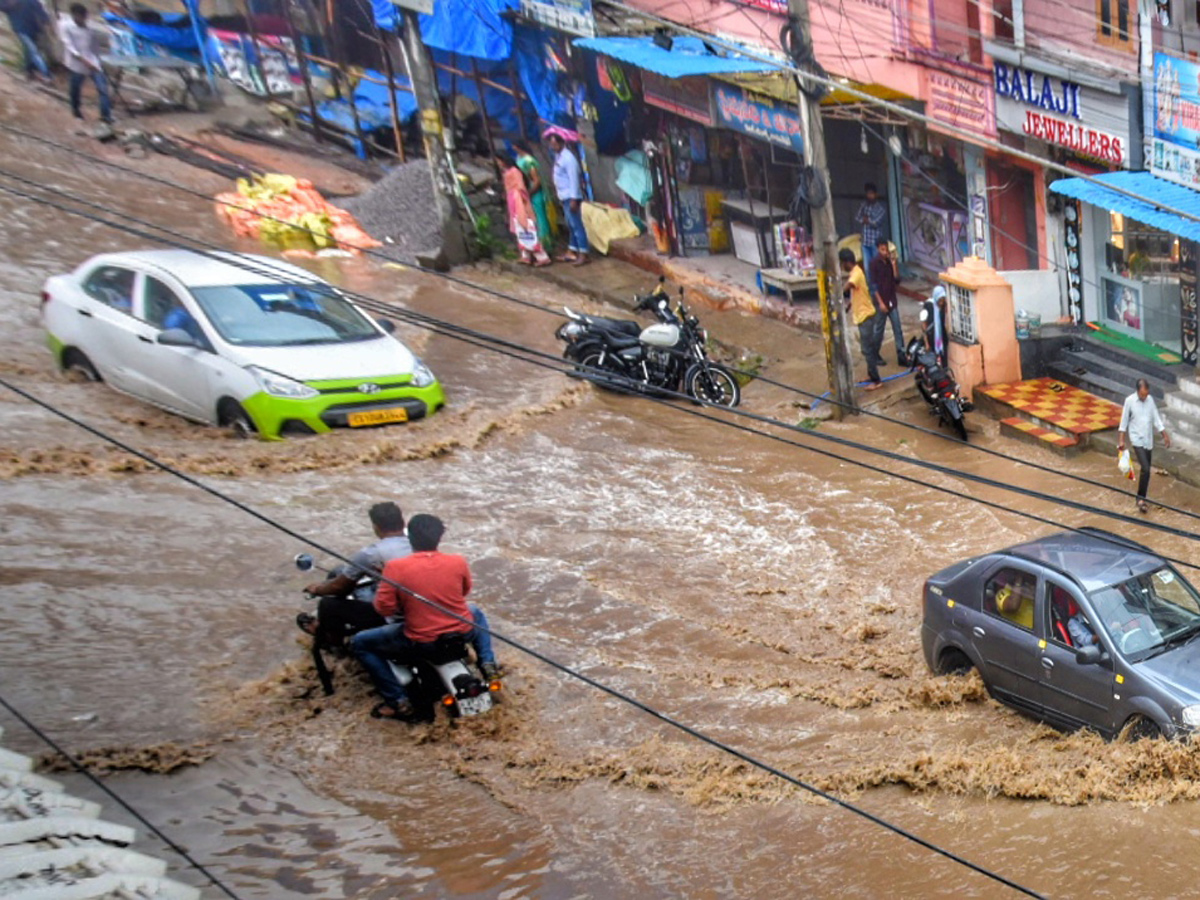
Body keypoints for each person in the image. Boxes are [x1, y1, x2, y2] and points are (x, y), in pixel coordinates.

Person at [351, 514, 500, 721]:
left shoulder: (395, 568)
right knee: (476, 612)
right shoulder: (458, 561)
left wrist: (392, 585)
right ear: (439, 538)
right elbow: (463, 592)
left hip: (422, 641)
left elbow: (383, 609)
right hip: (461, 633)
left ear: (410, 537)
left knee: (360, 642)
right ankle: (488, 663)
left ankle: (398, 701)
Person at [299, 501, 413, 651]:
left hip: (393, 616)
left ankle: (333, 641)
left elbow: (340, 588)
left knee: (328, 605)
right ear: (402, 522)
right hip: (420, 607)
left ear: (376, 527)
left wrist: (317, 589)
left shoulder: (370, 554)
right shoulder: (419, 544)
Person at [1118, 378, 1171, 514]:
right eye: (1142, 395)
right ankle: (1140, 499)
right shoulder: (1129, 401)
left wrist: (1164, 434)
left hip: (1148, 440)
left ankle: (1143, 496)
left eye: (1146, 394)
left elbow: (1156, 418)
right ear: (1137, 392)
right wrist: (1121, 440)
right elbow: (1124, 421)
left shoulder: (1150, 400)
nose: (1144, 397)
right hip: (1137, 439)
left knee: (1145, 470)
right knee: (1146, 468)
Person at [59, 3, 112, 124]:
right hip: (76, 64)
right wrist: (85, 62)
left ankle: (106, 117)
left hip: (93, 62)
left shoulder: (90, 28)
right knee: (75, 88)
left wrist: (97, 61)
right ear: (74, 16)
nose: (83, 20)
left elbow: (94, 47)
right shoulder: (66, 26)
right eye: (80, 17)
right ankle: (76, 110)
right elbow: (69, 47)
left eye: (84, 17)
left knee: (103, 89)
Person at [498, 151, 551, 267]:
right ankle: (525, 255)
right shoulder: (508, 171)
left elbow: (521, 187)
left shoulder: (514, 171)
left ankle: (541, 256)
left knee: (527, 226)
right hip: (513, 200)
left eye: (499, 160)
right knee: (519, 228)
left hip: (518, 201)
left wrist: (523, 201)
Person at [840, 248, 882, 391]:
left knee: (867, 350)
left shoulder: (856, 274)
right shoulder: (855, 272)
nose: (842, 266)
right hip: (861, 315)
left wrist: (836, 293)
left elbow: (849, 286)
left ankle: (876, 380)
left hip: (866, 316)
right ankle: (871, 375)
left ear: (847, 262)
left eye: (842, 263)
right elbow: (857, 292)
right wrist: (849, 305)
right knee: (866, 349)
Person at [546, 131, 589, 266]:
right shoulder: (559, 157)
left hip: (571, 197)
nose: (552, 147)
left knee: (576, 225)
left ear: (561, 143)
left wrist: (574, 199)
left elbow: (574, 180)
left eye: (554, 144)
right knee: (571, 225)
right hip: (564, 196)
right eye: (551, 144)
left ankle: (584, 253)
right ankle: (572, 250)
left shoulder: (569, 158)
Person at [869, 239, 905, 366]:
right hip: (881, 302)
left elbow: (897, 280)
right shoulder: (873, 264)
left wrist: (895, 265)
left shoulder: (890, 262)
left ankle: (901, 354)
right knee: (879, 329)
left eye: (886, 250)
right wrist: (880, 303)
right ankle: (874, 354)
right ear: (878, 249)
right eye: (882, 250)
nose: (885, 252)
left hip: (892, 300)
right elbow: (873, 287)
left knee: (898, 328)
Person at [515, 140, 553, 257]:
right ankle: (534, 246)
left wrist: (529, 193)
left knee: (540, 219)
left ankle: (545, 246)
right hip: (526, 192)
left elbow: (536, 181)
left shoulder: (529, 161)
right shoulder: (519, 159)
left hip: (535, 193)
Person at [1, 0, 52, 83]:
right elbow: (2, 7)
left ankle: (29, 71)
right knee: (34, 51)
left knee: (29, 51)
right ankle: (47, 74)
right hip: (20, 29)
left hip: (33, 29)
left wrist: (46, 22)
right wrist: (11, 4)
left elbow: (39, 9)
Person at [855, 182, 888, 289]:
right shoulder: (863, 205)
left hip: (875, 243)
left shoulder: (880, 209)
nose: (870, 196)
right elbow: (858, 218)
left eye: (872, 194)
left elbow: (876, 223)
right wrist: (867, 220)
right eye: (868, 194)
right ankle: (872, 290)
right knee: (868, 268)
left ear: (876, 194)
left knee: (877, 267)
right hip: (865, 242)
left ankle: (879, 289)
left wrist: (866, 220)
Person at [920, 285, 948, 367]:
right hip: (932, 339)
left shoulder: (943, 306)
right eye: (939, 301)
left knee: (944, 363)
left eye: (943, 301)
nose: (941, 303)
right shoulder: (928, 306)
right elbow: (923, 325)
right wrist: (926, 343)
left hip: (942, 339)